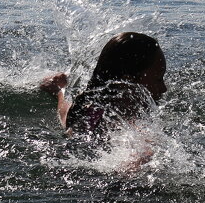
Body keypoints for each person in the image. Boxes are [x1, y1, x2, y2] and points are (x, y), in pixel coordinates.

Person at [38, 32, 167, 146]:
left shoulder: (100, 107)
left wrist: (59, 91)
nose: (164, 89)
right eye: (158, 79)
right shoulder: (97, 119)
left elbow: (66, 114)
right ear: (127, 82)